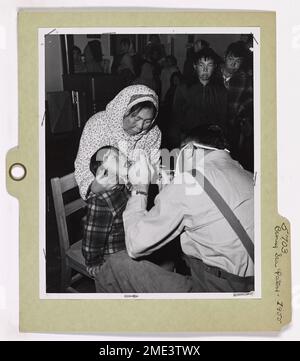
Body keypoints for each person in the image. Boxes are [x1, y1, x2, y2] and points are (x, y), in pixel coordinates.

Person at [95, 125, 254, 293]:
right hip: (254, 285)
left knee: (116, 265)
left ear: (189, 151)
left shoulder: (190, 180)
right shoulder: (247, 173)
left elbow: (135, 245)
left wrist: (139, 187)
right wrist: (167, 195)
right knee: (166, 258)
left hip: (218, 295)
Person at [74, 85, 161, 201]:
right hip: (101, 199)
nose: (140, 127)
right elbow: (82, 165)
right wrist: (93, 186)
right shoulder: (98, 124)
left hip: (136, 198)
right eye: (136, 119)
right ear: (122, 110)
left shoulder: (153, 133)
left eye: (147, 121)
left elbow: (154, 169)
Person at [82, 145, 130, 277]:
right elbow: (93, 237)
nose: (123, 157)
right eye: (115, 158)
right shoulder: (100, 201)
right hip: (113, 253)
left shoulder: (122, 184)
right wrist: (93, 262)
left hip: (127, 240)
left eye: (121, 154)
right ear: (103, 172)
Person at [172, 47, 227, 145]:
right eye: (201, 65)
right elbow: (176, 117)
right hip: (188, 139)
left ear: (214, 67)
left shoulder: (220, 91)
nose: (205, 69)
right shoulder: (183, 88)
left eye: (209, 65)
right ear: (195, 66)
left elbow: (223, 119)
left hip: (212, 141)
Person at [216, 41, 254, 170]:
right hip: (211, 125)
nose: (233, 64)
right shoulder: (213, 73)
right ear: (225, 56)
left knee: (229, 164)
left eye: (238, 61)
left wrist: (244, 121)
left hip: (232, 128)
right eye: (231, 59)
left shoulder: (244, 78)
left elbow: (248, 103)